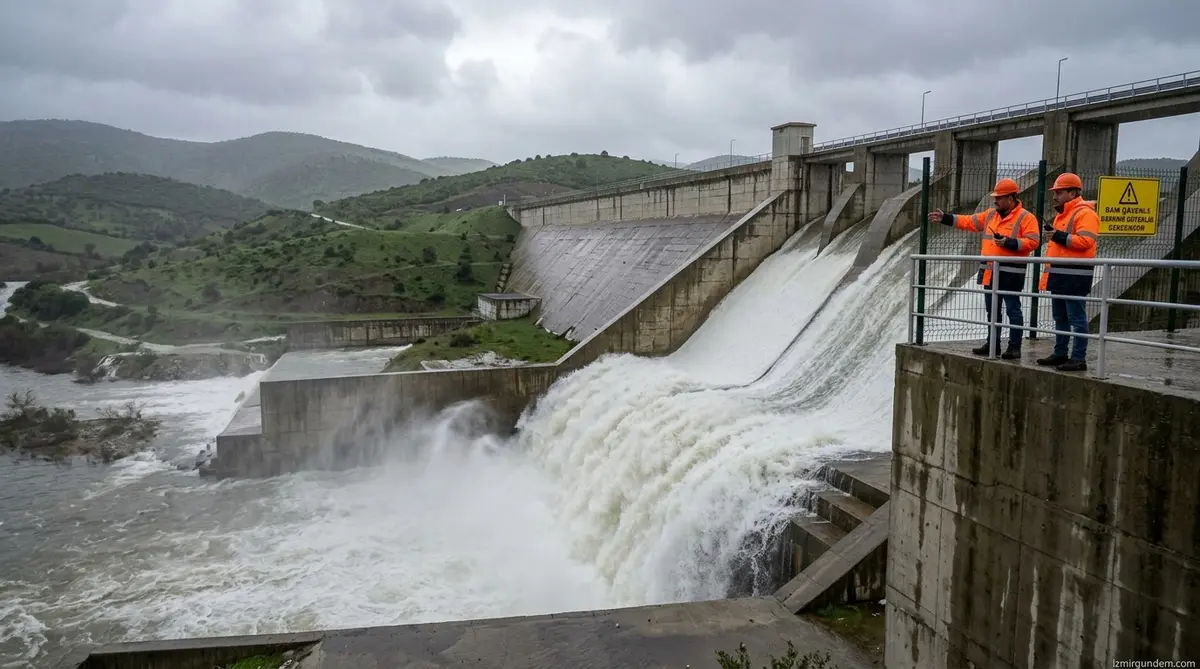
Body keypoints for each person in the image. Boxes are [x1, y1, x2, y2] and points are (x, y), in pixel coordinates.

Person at [929, 177, 1040, 358]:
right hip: (990, 271)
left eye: (999, 197)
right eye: (995, 197)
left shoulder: (1026, 218)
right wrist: (945, 218)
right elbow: (969, 221)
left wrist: (1009, 243)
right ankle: (992, 345)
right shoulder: (990, 215)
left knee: (1013, 309)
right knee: (992, 310)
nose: (995, 200)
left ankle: (1014, 347)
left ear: (1011, 199)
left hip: (1011, 272)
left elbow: (1034, 241)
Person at [1036, 172, 1099, 372]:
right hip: (1060, 273)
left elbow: (1086, 241)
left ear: (1073, 192)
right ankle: (1060, 352)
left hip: (1075, 274)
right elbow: (1061, 242)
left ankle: (1078, 358)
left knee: (1076, 318)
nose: (1055, 196)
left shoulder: (1086, 214)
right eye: (1055, 192)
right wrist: (1055, 236)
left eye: (1059, 192)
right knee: (1060, 317)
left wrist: (1058, 236)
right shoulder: (1062, 216)